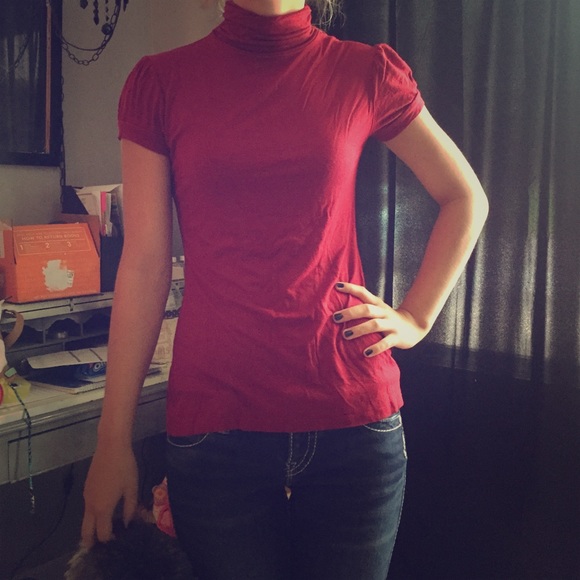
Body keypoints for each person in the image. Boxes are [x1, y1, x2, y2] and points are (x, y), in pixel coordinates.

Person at [81, 0, 488, 578]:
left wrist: (417, 317)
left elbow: (465, 197)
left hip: (353, 420)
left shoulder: (366, 71)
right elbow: (145, 265)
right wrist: (112, 439)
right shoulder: (161, 82)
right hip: (216, 433)